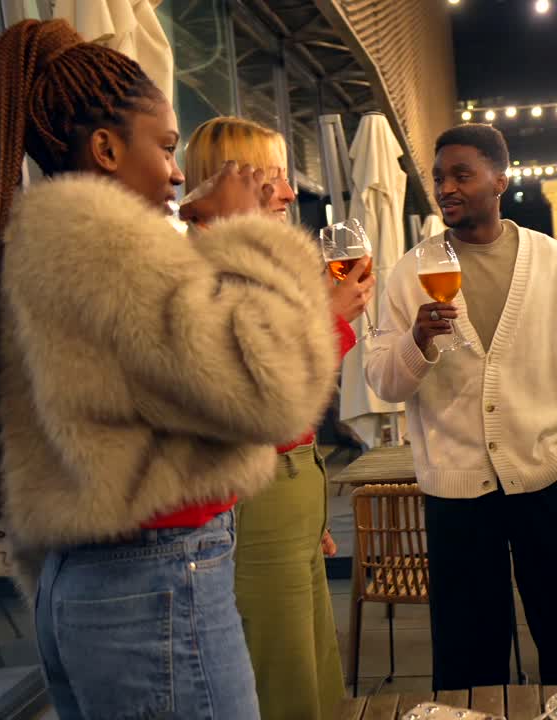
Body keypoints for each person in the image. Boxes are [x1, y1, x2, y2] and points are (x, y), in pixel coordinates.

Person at [0, 20, 339, 719]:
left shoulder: (42, 240)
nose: (178, 172)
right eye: (167, 145)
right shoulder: (106, 247)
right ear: (107, 146)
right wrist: (248, 236)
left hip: (98, 581)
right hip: (156, 578)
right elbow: (276, 391)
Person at [365, 123, 557, 690]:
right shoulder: (413, 270)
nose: (446, 188)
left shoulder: (550, 259)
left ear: (500, 179)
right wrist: (418, 343)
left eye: (461, 174)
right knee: (468, 651)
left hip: (549, 476)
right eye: (439, 177)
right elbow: (382, 379)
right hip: (458, 489)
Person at [183, 115, 375, 719]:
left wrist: (312, 506)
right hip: (256, 495)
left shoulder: (249, 269)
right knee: (284, 676)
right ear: (223, 184)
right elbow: (252, 398)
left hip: (290, 490)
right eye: (270, 179)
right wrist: (330, 319)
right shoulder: (205, 272)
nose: (290, 194)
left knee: (317, 667)